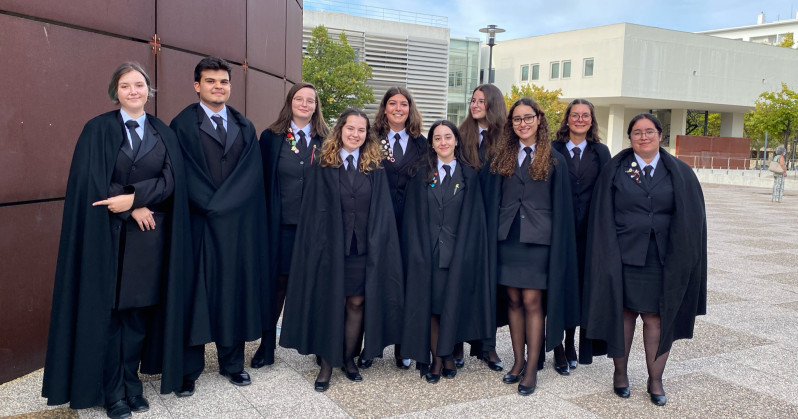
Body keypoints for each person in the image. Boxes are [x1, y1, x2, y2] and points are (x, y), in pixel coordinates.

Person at [42, 62, 190, 419]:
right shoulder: (98, 129)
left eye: (139, 85)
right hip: (106, 240)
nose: (134, 91)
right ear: (116, 91)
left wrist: (135, 198)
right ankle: (113, 393)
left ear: (149, 89)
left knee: (137, 318)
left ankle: (132, 385)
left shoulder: (163, 131)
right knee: (109, 319)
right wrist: (127, 208)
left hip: (147, 242)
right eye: (126, 86)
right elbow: (90, 180)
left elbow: (172, 181)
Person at [582, 113, 707, 406]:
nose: (643, 137)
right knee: (624, 314)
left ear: (660, 135)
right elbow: (602, 214)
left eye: (649, 131)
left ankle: (655, 379)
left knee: (655, 317)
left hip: (662, 258)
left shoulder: (679, 171)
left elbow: (693, 217)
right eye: (637, 133)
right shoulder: (616, 169)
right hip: (623, 256)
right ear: (630, 138)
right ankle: (620, 373)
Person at [280, 108, 404, 392]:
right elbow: (313, 211)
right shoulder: (324, 163)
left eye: (361, 130)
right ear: (340, 130)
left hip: (363, 250)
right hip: (330, 249)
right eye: (351, 129)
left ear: (367, 134)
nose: (356, 134)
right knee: (331, 302)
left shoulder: (374, 166)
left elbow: (383, 210)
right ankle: (327, 363)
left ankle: (349, 358)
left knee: (357, 303)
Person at [169, 57, 270, 395]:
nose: (218, 86)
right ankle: (188, 370)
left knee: (233, 292)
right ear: (197, 85)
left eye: (223, 81)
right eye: (210, 81)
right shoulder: (181, 125)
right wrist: (213, 207)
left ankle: (231, 364)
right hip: (198, 224)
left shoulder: (245, 127)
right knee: (194, 294)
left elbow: (250, 177)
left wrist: (224, 209)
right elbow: (183, 175)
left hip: (236, 229)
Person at [483, 98, 578, 395]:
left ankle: (533, 366)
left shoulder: (554, 159)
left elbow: (563, 208)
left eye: (528, 118)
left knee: (533, 303)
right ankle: (518, 361)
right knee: (512, 300)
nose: (522, 124)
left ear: (539, 119)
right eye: (516, 119)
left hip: (539, 241)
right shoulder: (503, 156)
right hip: (507, 238)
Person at [400, 120, 492, 383]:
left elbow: (475, 220)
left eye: (448, 137)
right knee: (430, 308)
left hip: (457, 253)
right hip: (427, 253)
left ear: (456, 141)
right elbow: (412, 218)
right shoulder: (420, 174)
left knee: (449, 306)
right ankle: (438, 360)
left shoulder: (469, 175)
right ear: (431, 143)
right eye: (437, 138)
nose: (443, 142)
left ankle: (446, 355)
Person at [251, 82, 329, 368]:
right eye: (300, 98)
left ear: (316, 106)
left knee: (316, 286)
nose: (305, 104)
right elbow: (259, 181)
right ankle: (266, 346)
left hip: (315, 229)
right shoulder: (271, 138)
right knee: (277, 286)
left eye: (311, 100)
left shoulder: (327, 139)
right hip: (281, 226)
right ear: (290, 102)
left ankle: (320, 346)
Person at [360, 86, 427, 370]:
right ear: (384, 108)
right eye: (392, 104)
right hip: (377, 222)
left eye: (404, 104)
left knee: (407, 286)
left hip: (411, 225)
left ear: (410, 110)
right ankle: (371, 346)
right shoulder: (370, 139)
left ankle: (404, 348)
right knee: (377, 283)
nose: (398, 109)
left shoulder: (422, 144)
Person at [550, 99, 611, 375]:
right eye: (575, 115)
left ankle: (573, 342)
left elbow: (610, 191)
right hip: (558, 233)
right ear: (567, 119)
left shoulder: (601, 152)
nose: (579, 119)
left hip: (589, 236)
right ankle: (557, 346)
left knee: (580, 290)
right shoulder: (553, 149)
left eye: (585, 115)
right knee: (558, 288)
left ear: (591, 120)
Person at [455, 83, 508, 370]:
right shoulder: (461, 134)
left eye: (481, 101)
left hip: (493, 220)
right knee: (459, 280)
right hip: (462, 218)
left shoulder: (506, 137)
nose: (475, 105)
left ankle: (486, 346)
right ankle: (456, 344)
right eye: (473, 100)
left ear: (493, 104)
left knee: (488, 285)